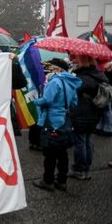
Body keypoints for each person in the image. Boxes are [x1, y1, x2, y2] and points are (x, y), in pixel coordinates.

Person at [32, 58, 81, 191]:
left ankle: (48, 181)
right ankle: (62, 181)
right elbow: (74, 103)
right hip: (64, 120)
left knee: (50, 153)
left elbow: (47, 100)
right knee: (62, 152)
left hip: (51, 121)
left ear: (59, 69)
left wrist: (35, 101)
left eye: (52, 68)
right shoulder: (71, 81)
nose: (50, 70)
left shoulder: (55, 81)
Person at [68, 54, 108, 180]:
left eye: (76, 59)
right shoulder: (98, 74)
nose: (73, 61)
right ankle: (86, 169)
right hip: (95, 112)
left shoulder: (80, 77)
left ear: (82, 61)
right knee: (87, 140)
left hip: (81, 112)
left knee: (80, 141)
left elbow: (72, 92)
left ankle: (79, 170)